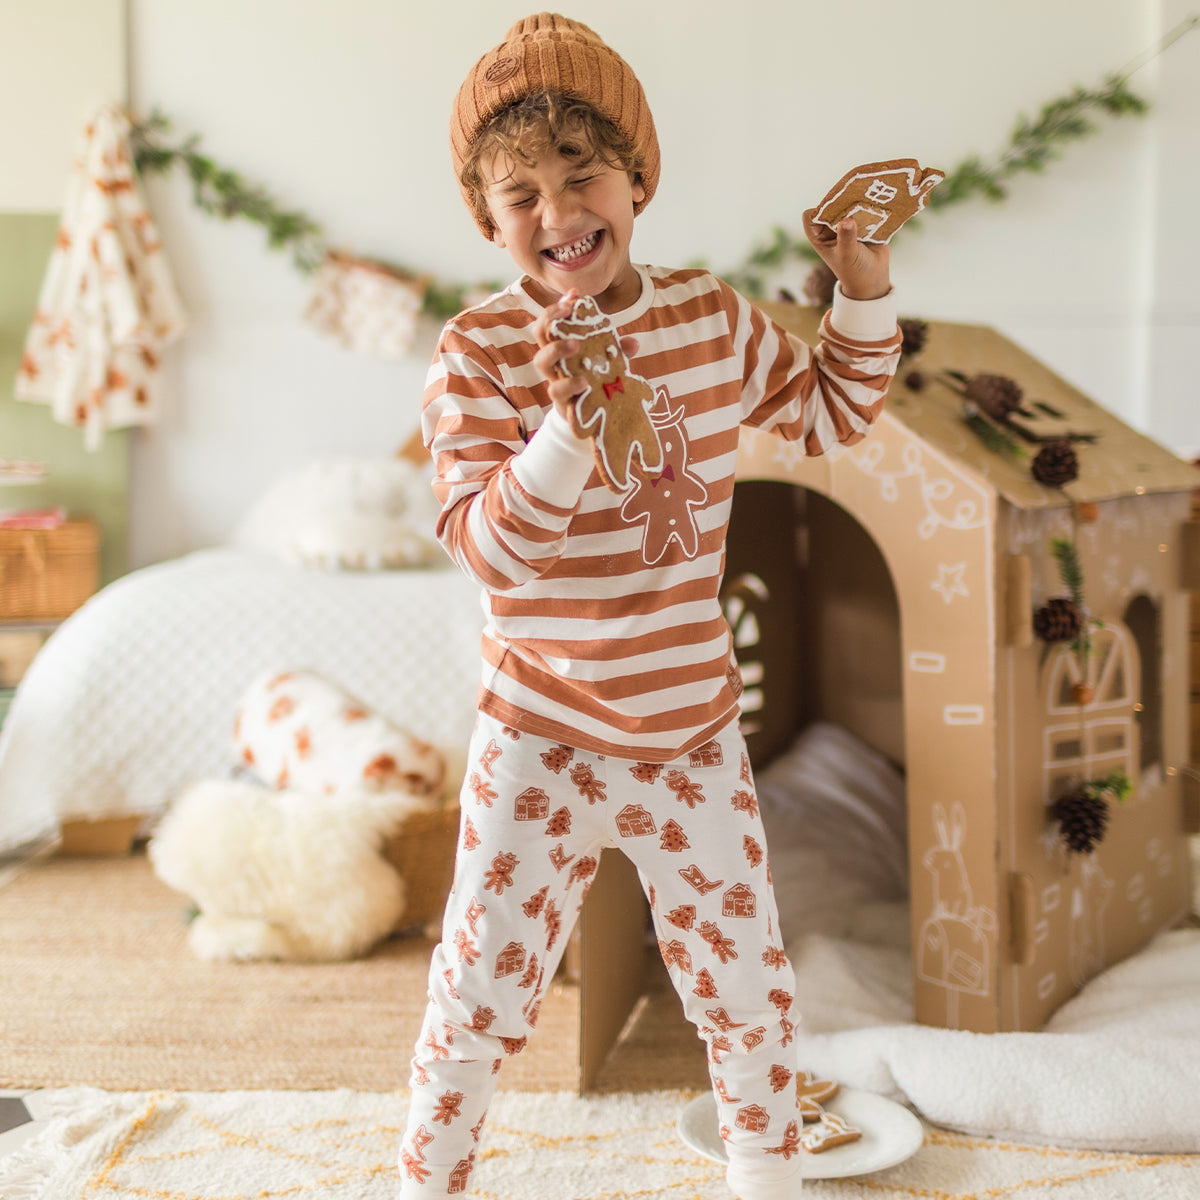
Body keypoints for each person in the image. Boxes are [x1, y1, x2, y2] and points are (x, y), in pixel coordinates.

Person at [400, 13, 900, 1199]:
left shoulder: (711, 319)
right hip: (541, 730)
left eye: (583, 175)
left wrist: (862, 291)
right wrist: (572, 429)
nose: (559, 212)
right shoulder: (477, 353)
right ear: (485, 215)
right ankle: (427, 1181)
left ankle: (768, 1182)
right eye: (521, 192)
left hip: (689, 732)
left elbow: (832, 411)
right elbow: (494, 554)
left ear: (637, 180)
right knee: (483, 986)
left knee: (744, 986)